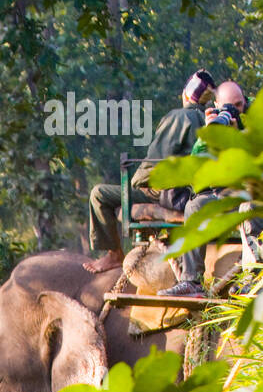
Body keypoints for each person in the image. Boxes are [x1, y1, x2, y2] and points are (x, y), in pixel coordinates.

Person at [84, 70, 215, 274]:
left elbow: (155, 160)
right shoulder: (210, 120)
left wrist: (137, 181)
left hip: (164, 191)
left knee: (99, 194)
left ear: (186, 95)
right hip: (192, 193)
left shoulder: (179, 117)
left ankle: (114, 254)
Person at [159, 81, 248, 298]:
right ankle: (192, 281)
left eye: (239, 104)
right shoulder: (212, 122)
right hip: (224, 194)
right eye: (229, 106)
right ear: (216, 105)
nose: (235, 110)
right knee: (195, 205)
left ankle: (253, 276)